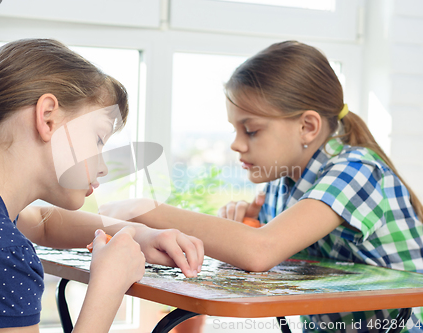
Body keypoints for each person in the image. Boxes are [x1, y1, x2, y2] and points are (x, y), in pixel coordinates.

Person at [99, 41, 423, 332]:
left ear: (307, 127)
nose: (237, 145)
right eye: (234, 130)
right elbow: (258, 250)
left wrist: (145, 209)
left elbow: (259, 251)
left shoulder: (357, 170)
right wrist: (244, 227)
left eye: (251, 130)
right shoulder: (284, 183)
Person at [0, 38, 203, 333]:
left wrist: (139, 234)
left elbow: (41, 223)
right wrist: (108, 286)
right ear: (47, 117)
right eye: (98, 139)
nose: (104, 166)